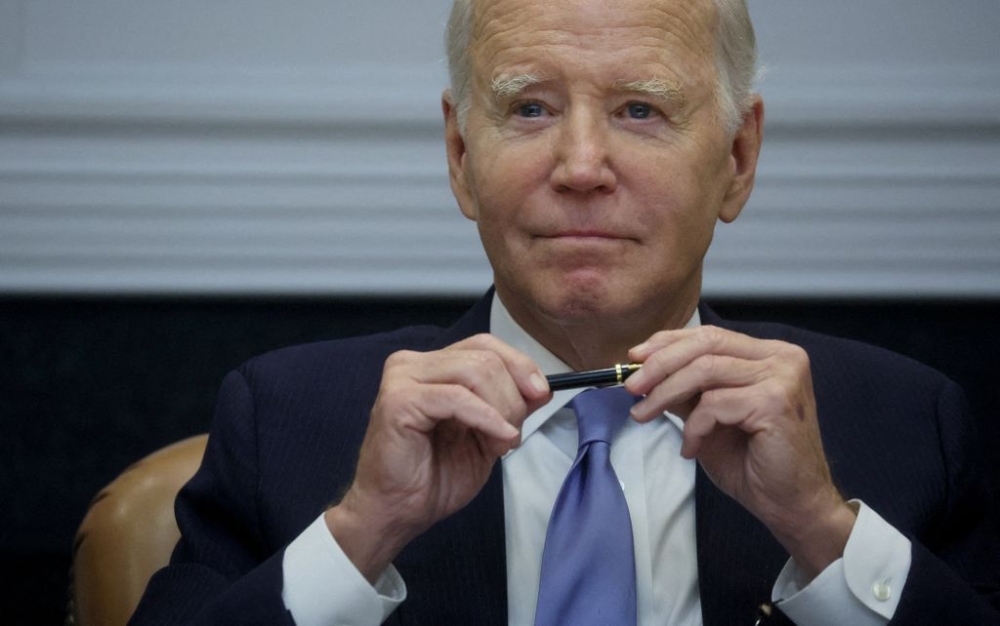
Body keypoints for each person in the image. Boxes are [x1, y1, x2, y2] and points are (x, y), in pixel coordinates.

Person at [131, 0, 1000, 623]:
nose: (582, 165)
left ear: (738, 157)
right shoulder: (284, 419)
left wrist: (824, 532)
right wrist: (361, 532)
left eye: (640, 109)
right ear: (462, 154)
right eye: (531, 108)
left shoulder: (908, 425)